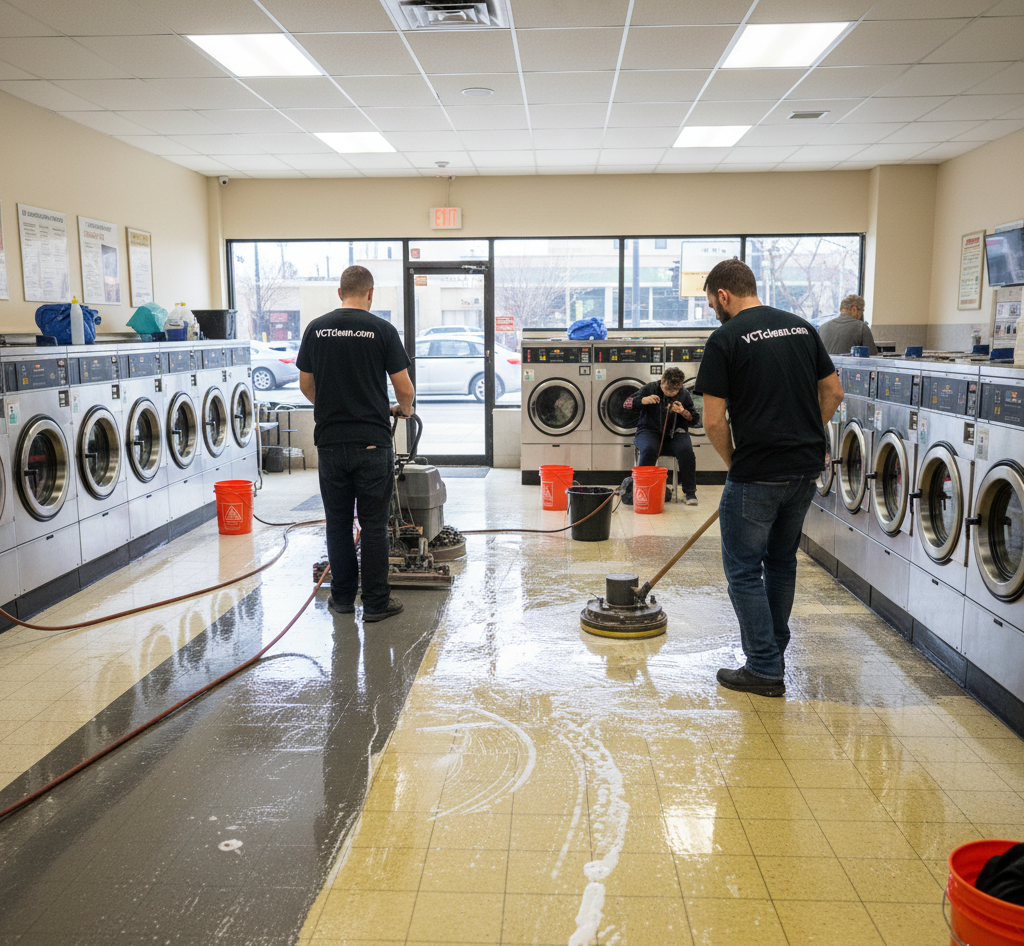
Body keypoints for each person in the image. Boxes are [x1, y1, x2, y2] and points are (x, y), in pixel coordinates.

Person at [695, 259, 844, 696]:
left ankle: (763, 667)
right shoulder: (802, 328)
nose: (714, 313)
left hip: (757, 472)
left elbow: (713, 420)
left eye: (713, 304)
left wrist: (736, 462)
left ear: (724, 295)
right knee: (780, 562)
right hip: (805, 468)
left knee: (743, 570)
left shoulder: (725, 339)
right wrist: (805, 436)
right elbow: (834, 392)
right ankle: (773, 653)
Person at [297, 265, 415, 623]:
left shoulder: (316, 329)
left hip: (331, 443)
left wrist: (333, 407)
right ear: (370, 294)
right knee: (374, 525)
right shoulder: (382, 330)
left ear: (340, 293)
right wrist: (405, 409)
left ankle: (343, 599)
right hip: (372, 444)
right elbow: (404, 388)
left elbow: (306, 385)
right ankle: (376, 604)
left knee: (337, 524)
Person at [623, 366, 699, 504]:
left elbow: (694, 419)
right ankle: (641, 490)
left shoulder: (684, 394)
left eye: (674, 391)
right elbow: (626, 404)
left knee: (687, 451)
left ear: (680, 386)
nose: (670, 393)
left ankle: (690, 493)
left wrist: (683, 412)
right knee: (649, 449)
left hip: (675, 434)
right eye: (667, 389)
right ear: (662, 381)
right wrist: (643, 401)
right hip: (648, 431)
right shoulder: (650, 388)